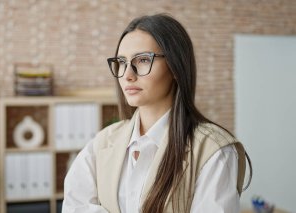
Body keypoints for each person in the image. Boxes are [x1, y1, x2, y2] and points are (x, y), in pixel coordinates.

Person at [62, 13, 252, 213]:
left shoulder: (213, 150)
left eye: (143, 60)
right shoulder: (103, 142)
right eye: (121, 62)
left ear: (176, 68)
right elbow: (75, 206)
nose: (127, 75)